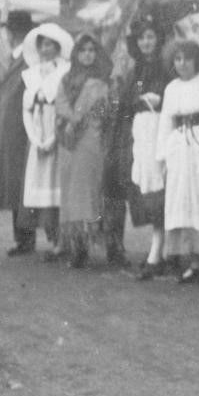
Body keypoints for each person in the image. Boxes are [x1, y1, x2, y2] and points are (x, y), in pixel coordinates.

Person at [157, 40, 199, 283]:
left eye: (187, 58)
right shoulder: (171, 87)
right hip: (179, 147)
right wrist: (162, 157)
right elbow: (165, 123)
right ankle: (194, 260)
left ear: (197, 60)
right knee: (184, 200)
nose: (183, 64)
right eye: (178, 59)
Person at [119, 15, 172, 280]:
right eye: (141, 38)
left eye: (150, 37)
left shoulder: (166, 66)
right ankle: (158, 247)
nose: (146, 42)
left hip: (161, 128)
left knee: (161, 186)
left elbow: (173, 96)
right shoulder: (136, 70)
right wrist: (137, 99)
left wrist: (159, 99)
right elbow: (126, 101)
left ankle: (158, 250)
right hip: (141, 131)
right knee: (146, 187)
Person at [0, 12, 48, 254]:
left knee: (21, 181)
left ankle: (25, 238)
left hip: (21, 128)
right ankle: (22, 237)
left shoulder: (27, 61)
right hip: (11, 127)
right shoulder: (16, 58)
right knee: (16, 182)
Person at [55, 33, 112, 269]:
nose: (87, 55)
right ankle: (74, 246)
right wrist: (71, 120)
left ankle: (87, 244)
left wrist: (77, 119)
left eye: (92, 50)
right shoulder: (66, 80)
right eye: (83, 50)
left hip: (89, 138)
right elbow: (59, 104)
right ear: (76, 54)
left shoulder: (102, 81)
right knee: (69, 192)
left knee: (87, 191)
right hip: (69, 141)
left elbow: (101, 109)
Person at [21, 22, 73, 260]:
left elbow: (65, 109)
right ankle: (53, 238)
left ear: (58, 47)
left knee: (58, 186)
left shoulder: (65, 73)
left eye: (51, 45)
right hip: (38, 137)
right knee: (41, 187)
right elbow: (27, 110)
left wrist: (53, 138)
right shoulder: (31, 75)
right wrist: (35, 138)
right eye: (43, 45)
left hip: (57, 134)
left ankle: (63, 241)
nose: (46, 49)